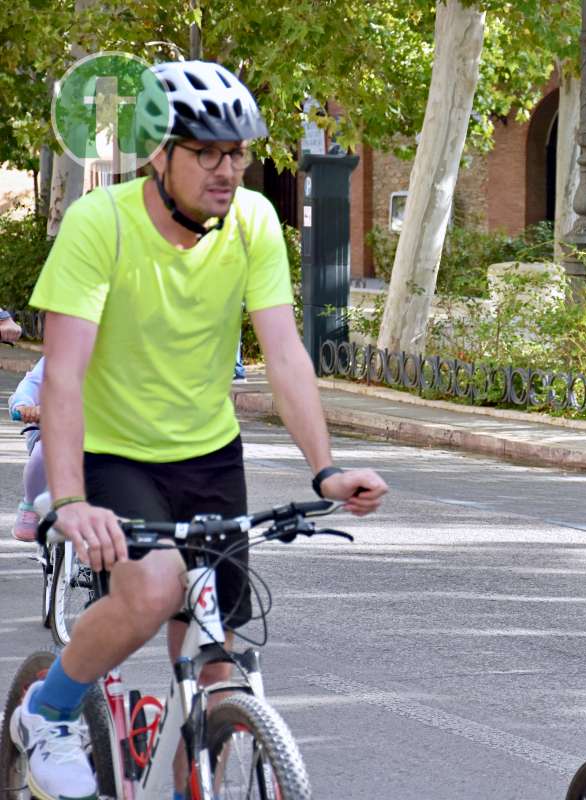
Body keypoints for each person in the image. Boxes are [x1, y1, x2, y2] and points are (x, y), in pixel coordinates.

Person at [8, 60, 388, 800]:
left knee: (218, 672)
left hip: (209, 457)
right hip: (113, 453)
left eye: (238, 152)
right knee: (153, 590)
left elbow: (283, 352)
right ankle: (47, 712)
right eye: (207, 152)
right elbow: (61, 375)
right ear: (159, 152)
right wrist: (71, 497)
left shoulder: (250, 223)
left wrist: (325, 470)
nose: (228, 170)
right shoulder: (99, 225)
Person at [8, 356, 45, 541]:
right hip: (59, 430)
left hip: (110, 436)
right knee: (43, 456)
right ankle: (31, 504)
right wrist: (24, 405)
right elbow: (33, 383)